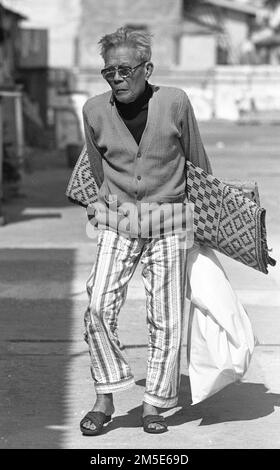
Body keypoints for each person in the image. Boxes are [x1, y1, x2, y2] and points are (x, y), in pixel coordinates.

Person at [79, 26, 213, 436]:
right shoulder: (94, 110)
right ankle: (106, 394)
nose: (116, 78)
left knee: (166, 316)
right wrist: (100, 205)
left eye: (123, 70)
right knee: (98, 304)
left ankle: (155, 403)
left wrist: (209, 223)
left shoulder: (175, 102)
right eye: (108, 72)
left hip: (170, 220)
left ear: (146, 68)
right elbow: (96, 167)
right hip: (119, 219)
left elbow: (198, 163)